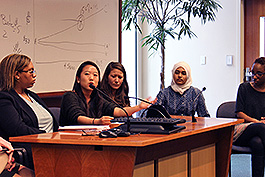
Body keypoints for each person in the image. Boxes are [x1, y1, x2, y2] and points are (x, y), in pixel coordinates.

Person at [0, 54, 59, 169]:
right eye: (30, 71)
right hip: (32, 149)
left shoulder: (33, 96)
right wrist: (47, 136)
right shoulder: (4, 98)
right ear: (17, 75)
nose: (34, 75)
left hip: (51, 145)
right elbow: (17, 128)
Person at [59, 61, 151, 126]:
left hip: (90, 140)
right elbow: (77, 117)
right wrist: (97, 121)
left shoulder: (97, 98)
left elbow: (117, 111)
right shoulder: (70, 96)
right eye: (87, 74)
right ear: (78, 79)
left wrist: (138, 107)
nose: (91, 78)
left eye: (95, 75)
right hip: (70, 141)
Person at [235, 57, 265, 177]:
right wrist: (257, 122)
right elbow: (239, 113)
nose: (254, 76)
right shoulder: (244, 88)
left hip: (260, 134)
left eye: (259, 74)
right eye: (252, 73)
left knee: (257, 142)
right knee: (259, 127)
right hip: (243, 130)